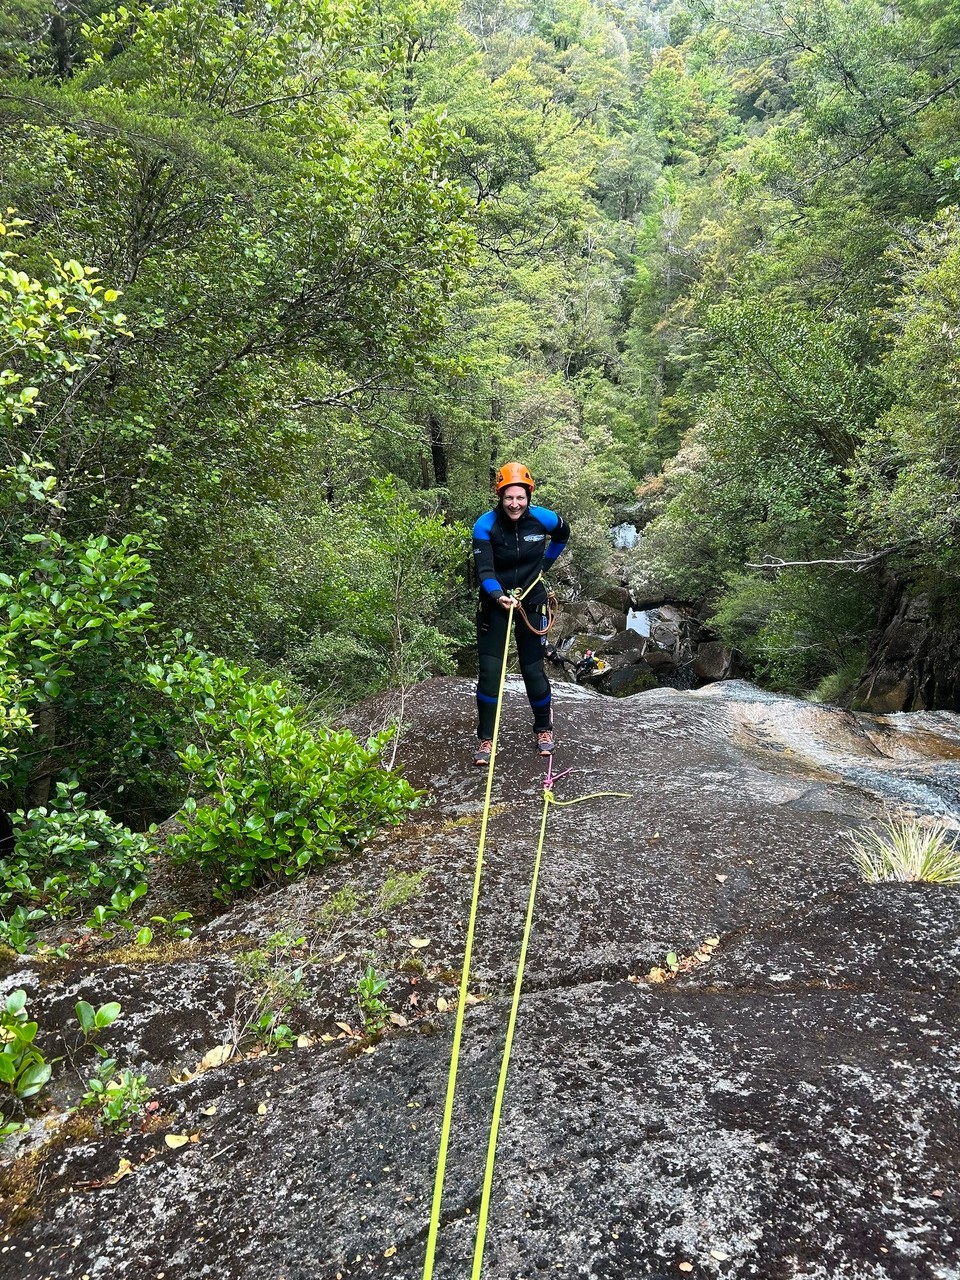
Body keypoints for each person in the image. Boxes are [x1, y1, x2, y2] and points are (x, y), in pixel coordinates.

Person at [471, 462, 570, 766]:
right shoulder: (485, 525)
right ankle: (486, 737)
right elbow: (484, 569)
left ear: (528, 496)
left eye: (520, 498)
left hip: (532, 600)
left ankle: (543, 728)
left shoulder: (543, 519)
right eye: (508, 498)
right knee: (490, 673)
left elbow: (563, 534)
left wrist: (544, 567)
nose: (514, 504)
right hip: (495, 603)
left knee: (532, 669)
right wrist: (497, 595)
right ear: (499, 497)